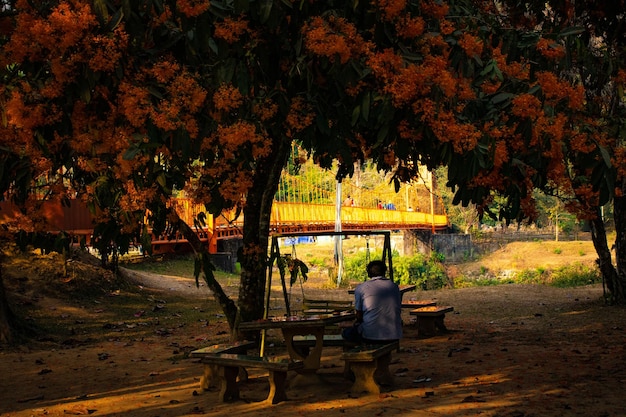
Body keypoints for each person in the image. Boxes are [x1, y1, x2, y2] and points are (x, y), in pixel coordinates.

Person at [342, 260, 403, 344]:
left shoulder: (361, 288)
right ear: (384, 272)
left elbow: (359, 315)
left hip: (371, 335)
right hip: (394, 334)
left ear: (368, 273)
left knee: (347, 333)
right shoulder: (394, 287)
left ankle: (359, 353)